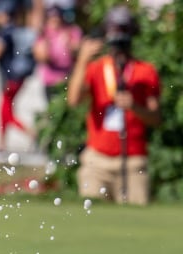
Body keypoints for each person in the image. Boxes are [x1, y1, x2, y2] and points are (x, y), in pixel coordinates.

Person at [65, 4, 161, 205]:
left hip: (133, 161)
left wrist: (134, 106)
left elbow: (156, 118)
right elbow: (73, 100)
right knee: (92, 216)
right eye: (115, 29)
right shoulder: (96, 67)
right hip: (97, 161)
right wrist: (82, 60)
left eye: (123, 29)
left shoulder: (146, 71)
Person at [0, 1, 37, 152]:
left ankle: (31, 134)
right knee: (4, 110)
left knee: (6, 112)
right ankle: (2, 143)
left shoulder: (4, 33)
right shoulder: (16, 30)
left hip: (11, 78)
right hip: (17, 76)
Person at [32, 3, 82, 102]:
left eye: (57, 17)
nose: (55, 20)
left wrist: (70, 46)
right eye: (52, 18)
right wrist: (47, 47)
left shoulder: (72, 30)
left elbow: (79, 53)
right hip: (51, 81)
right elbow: (41, 58)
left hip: (69, 79)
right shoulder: (43, 33)